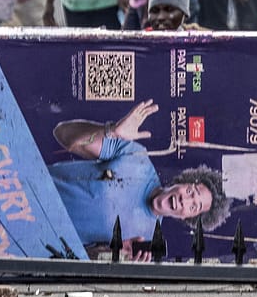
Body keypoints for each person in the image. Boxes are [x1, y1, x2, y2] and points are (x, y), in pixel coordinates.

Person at [48, 102, 230, 254]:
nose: (185, 199)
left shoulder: (144, 241)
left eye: (193, 206)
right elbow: (63, 134)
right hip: (24, 184)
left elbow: (76, 256)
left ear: (187, 218)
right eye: (191, 191)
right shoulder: (137, 158)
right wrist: (111, 131)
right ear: (183, 181)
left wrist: (113, 252)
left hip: (37, 233)